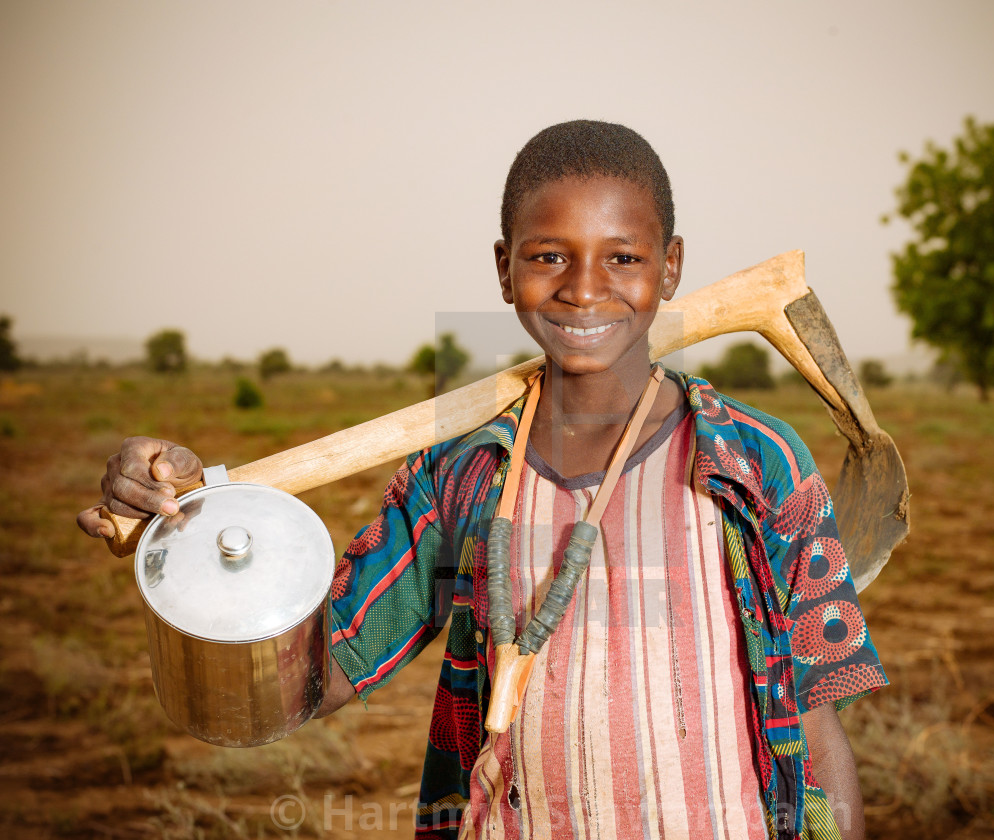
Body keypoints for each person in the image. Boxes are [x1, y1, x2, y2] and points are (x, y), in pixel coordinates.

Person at [78, 120, 886, 840]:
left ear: (671, 268)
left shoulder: (757, 463)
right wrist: (192, 529)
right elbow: (314, 678)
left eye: (624, 258)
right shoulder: (459, 473)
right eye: (548, 257)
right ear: (505, 270)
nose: (583, 288)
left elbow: (817, 724)